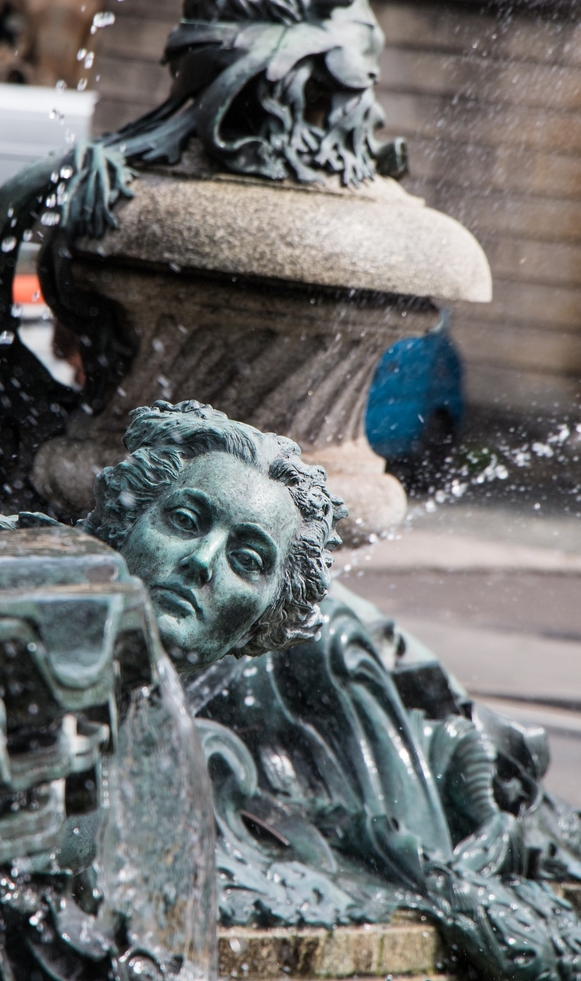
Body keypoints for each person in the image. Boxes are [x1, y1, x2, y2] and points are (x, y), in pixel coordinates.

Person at [84, 400, 581, 981]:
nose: (201, 562)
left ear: (264, 623)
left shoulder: (299, 679)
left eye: (246, 560)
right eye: (185, 521)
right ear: (126, 520)